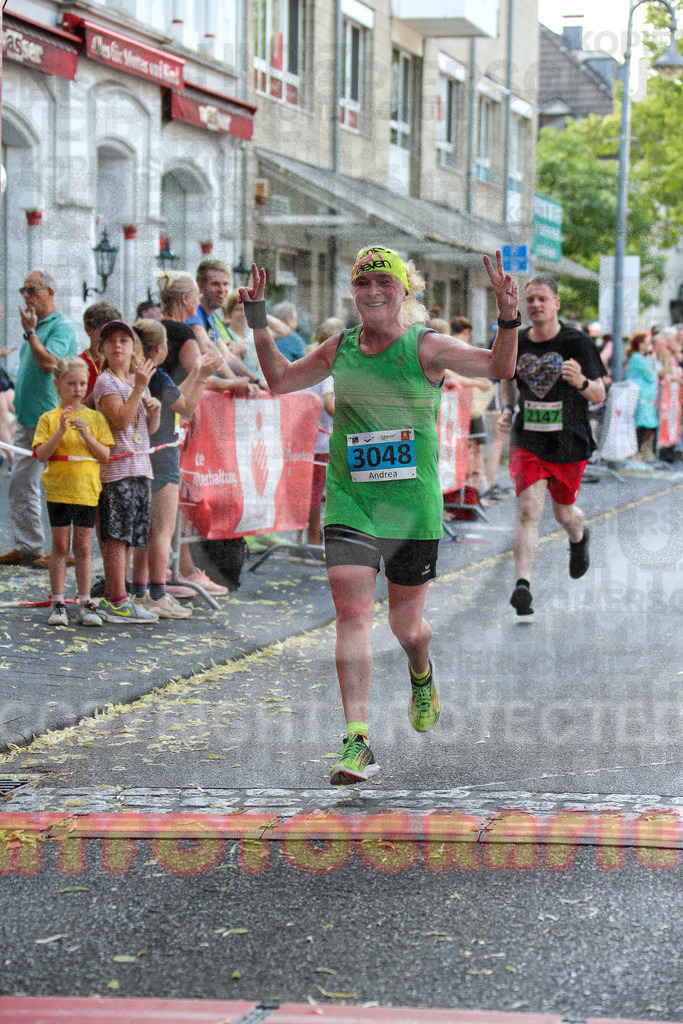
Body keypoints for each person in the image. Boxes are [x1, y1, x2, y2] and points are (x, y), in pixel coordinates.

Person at [239, 245, 519, 785]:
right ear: (354, 293)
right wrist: (256, 318)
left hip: (411, 508)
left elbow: (497, 367)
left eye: (383, 283)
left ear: (404, 292)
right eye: (363, 283)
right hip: (351, 502)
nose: (372, 292)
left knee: (406, 627)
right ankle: (358, 739)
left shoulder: (427, 347)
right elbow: (278, 380)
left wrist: (509, 317)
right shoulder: (339, 347)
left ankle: (422, 670)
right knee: (352, 615)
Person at [498, 275, 606, 618]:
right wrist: (505, 408)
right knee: (529, 509)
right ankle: (523, 586)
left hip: (568, 438)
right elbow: (505, 377)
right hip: (527, 437)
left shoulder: (577, 342)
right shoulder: (514, 339)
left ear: (556, 303)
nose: (535, 305)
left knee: (563, 513)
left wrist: (582, 381)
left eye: (542, 299)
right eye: (530, 299)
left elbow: (600, 394)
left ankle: (579, 535)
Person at [130, 319, 222, 618]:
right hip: (163, 457)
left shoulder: (142, 375)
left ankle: (140, 591)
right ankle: (157, 594)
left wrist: (196, 373)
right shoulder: (159, 376)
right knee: (162, 530)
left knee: (145, 531)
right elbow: (186, 406)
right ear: (161, 349)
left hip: (141, 457)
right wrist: (204, 376)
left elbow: (174, 398)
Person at [0, 271, 78, 568]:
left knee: (60, 484)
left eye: (32, 290)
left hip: (50, 417)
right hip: (29, 417)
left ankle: (67, 550)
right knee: (21, 483)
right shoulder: (34, 326)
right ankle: (28, 546)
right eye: (23, 290)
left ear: (50, 292)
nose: (26, 296)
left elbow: (49, 364)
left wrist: (31, 334)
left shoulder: (60, 327)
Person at [32, 357, 114, 627]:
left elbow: (104, 455)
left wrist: (88, 435)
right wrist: (60, 432)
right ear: (57, 385)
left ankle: (84, 602)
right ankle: (57, 603)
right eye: (71, 384)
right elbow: (41, 454)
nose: (78, 389)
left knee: (82, 547)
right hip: (58, 490)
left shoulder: (95, 418)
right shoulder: (49, 418)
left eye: (82, 383)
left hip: (86, 491)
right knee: (59, 547)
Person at [92, 320, 161, 623]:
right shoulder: (107, 382)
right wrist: (140, 388)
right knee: (116, 536)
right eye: (111, 341)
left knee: (130, 535)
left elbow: (144, 428)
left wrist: (154, 412)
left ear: (134, 349)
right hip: (117, 470)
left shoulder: (134, 380)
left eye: (124, 340)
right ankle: (117, 600)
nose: (117, 345)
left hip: (139, 468)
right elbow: (120, 421)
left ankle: (117, 597)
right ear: (103, 349)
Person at [292, 317, 342, 560]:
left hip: (303, 440)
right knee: (315, 493)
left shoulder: (307, 365)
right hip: (320, 443)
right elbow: (330, 405)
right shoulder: (328, 374)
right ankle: (313, 541)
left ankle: (303, 540)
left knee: (307, 492)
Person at [187, 259, 263, 387]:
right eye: (215, 284)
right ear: (200, 287)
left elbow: (226, 355)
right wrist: (237, 384)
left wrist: (256, 380)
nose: (222, 290)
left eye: (226, 284)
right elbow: (207, 348)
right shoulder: (193, 311)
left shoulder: (210, 316)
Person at [625, 331, 659, 460]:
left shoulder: (639, 358)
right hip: (640, 398)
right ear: (640, 344)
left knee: (645, 427)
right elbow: (651, 375)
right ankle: (635, 454)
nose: (649, 345)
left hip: (645, 398)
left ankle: (639, 453)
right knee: (640, 427)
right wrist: (654, 360)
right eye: (647, 343)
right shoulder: (637, 358)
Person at [80, 301, 122, 403]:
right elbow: (75, 407)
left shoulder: (122, 359)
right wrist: (102, 388)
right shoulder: (79, 364)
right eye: (104, 331)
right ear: (89, 330)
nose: (110, 336)